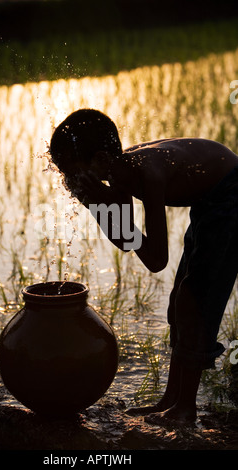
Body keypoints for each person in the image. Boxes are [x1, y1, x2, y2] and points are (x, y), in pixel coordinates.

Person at [49, 108, 238, 423]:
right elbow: (126, 241)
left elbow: (155, 260)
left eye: (74, 172)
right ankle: (171, 399)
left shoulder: (146, 173)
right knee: (178, 302)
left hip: (232, 196)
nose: (70, 180)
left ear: (99, 160)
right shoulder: (118, 170)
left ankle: (185, 409)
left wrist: (102, 202)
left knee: (195, 302)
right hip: (211, 199)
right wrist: (97, 205)